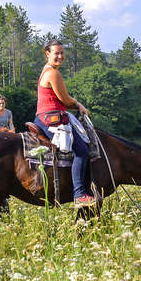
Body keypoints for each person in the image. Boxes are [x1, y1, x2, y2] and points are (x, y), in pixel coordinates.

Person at [34, 39, 96, 208]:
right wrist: (78, 104)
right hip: (52, 119)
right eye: (56, 53)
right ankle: (79, 194)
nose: (60, 56)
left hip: (43, 117)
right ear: (47, 53)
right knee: (82, 151)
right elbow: (65, 100)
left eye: (62, 53)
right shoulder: (53, 73)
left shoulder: (45, 71)